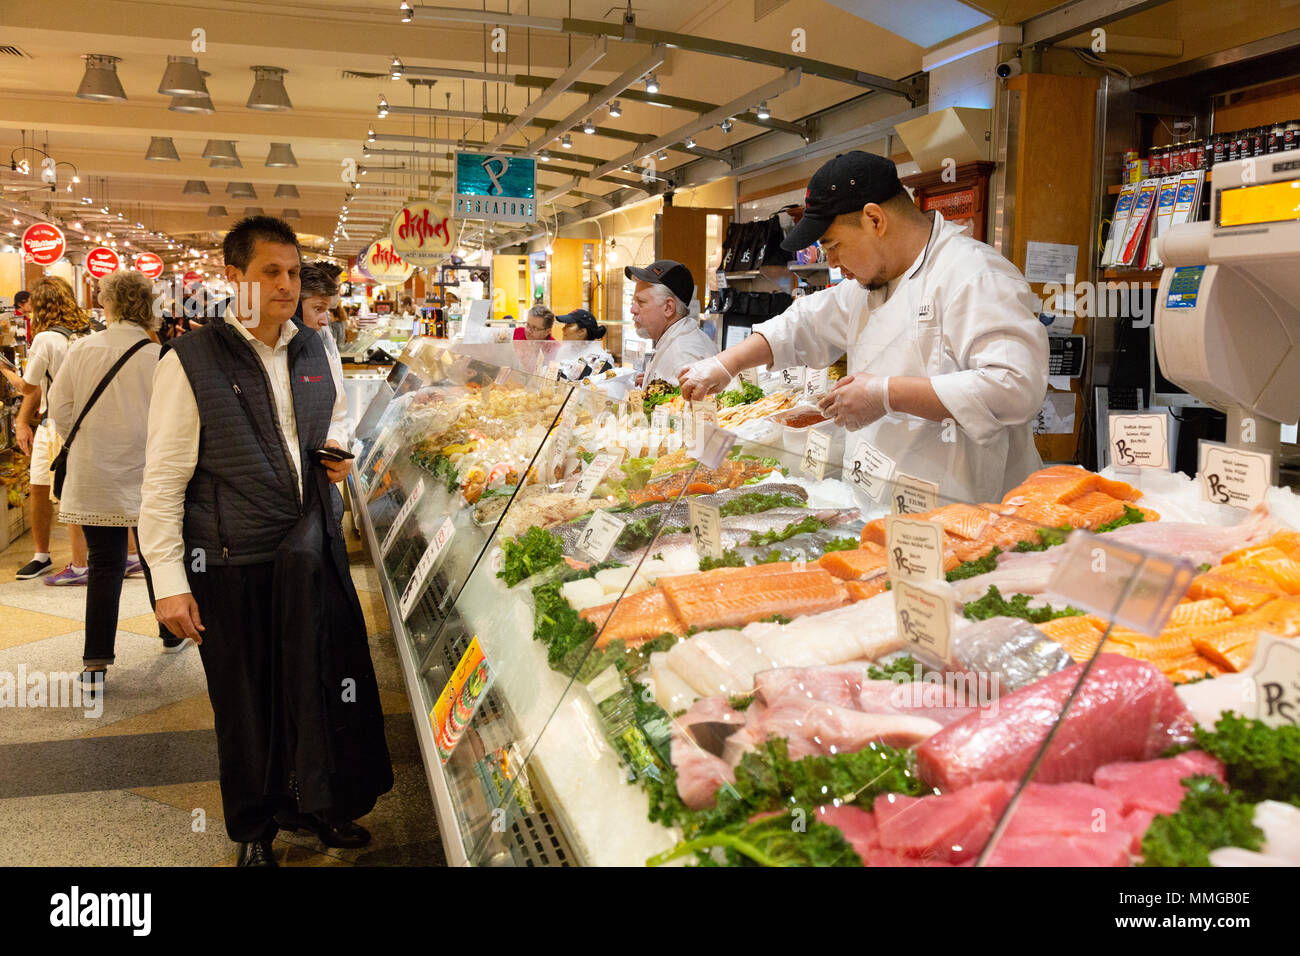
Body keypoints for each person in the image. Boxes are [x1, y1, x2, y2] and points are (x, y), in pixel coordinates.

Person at [139, 216, 392, 867]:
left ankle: (321, 805)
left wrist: (344, 456)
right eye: (270, 273)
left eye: (292, 272)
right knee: (250, 705)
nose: (286, 285)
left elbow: (335, 428)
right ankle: (255, 830)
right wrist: (168, 583)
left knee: (325, 683)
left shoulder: (313, 348)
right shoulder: (190, 361)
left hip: (311, 549)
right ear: (234, 279)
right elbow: (162, 483)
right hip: (233, 562)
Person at [679, 151, 1048, 505]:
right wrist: (725, 364)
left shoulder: (974, 275)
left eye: (834, 245)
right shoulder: (867, 286)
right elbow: (803, 321)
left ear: (875, 220)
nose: (834, 263)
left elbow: (1015, 387)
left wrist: (886, 394)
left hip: (961, 512)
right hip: (877, 504)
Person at [47, 269, 183, 690]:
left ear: (108, 303)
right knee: (155, 557)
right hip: (147, 474)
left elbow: (60, 408)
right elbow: (172, 419)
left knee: (104, 564)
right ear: (149, 307)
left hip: (93, 474)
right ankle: (169, 633)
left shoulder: (83, 347)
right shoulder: (159, 355)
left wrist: (88, 441)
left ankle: (95, 661)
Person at [14, 277, 90, 582]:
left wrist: (5, 369)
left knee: (54, 491)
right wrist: (21, 421)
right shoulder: (92, 332)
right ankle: (50, 557)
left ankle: (74, 562)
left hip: (55, 425)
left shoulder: (45, 338)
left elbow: (27, 385)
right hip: (86, 422)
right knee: (55, 488)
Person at [625, 259, 718, 386]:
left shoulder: (683, 356)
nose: (632, 310)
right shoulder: (677, 337)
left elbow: (690, 405)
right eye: (633, 302)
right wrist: (650, 381)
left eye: (641, 302)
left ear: (668, 308)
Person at [297, 261, 354, 443]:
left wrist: (334, 441)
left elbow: (335, 413)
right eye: (318, 309)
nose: (323, 321)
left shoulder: (314, 347)